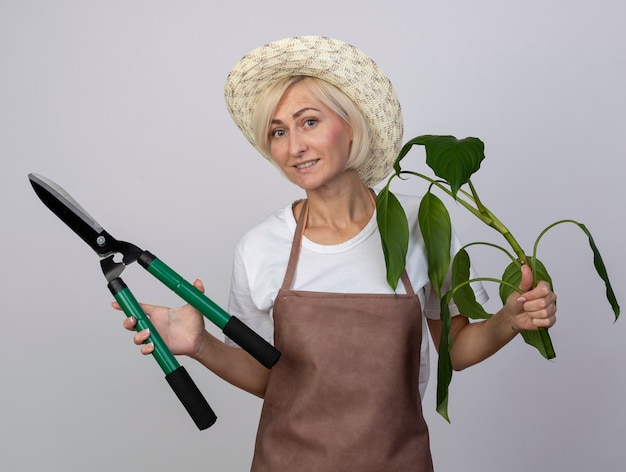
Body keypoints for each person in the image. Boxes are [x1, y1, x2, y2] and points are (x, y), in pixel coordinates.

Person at [117, 36, 557, 471]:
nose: (294, 147)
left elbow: (454, 348)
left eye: (309, 121)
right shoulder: (260, 247)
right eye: (278, 131)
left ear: (351, 125)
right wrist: (199, 344)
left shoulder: (420, 227)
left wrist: (508, 321)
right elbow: (270, 378)